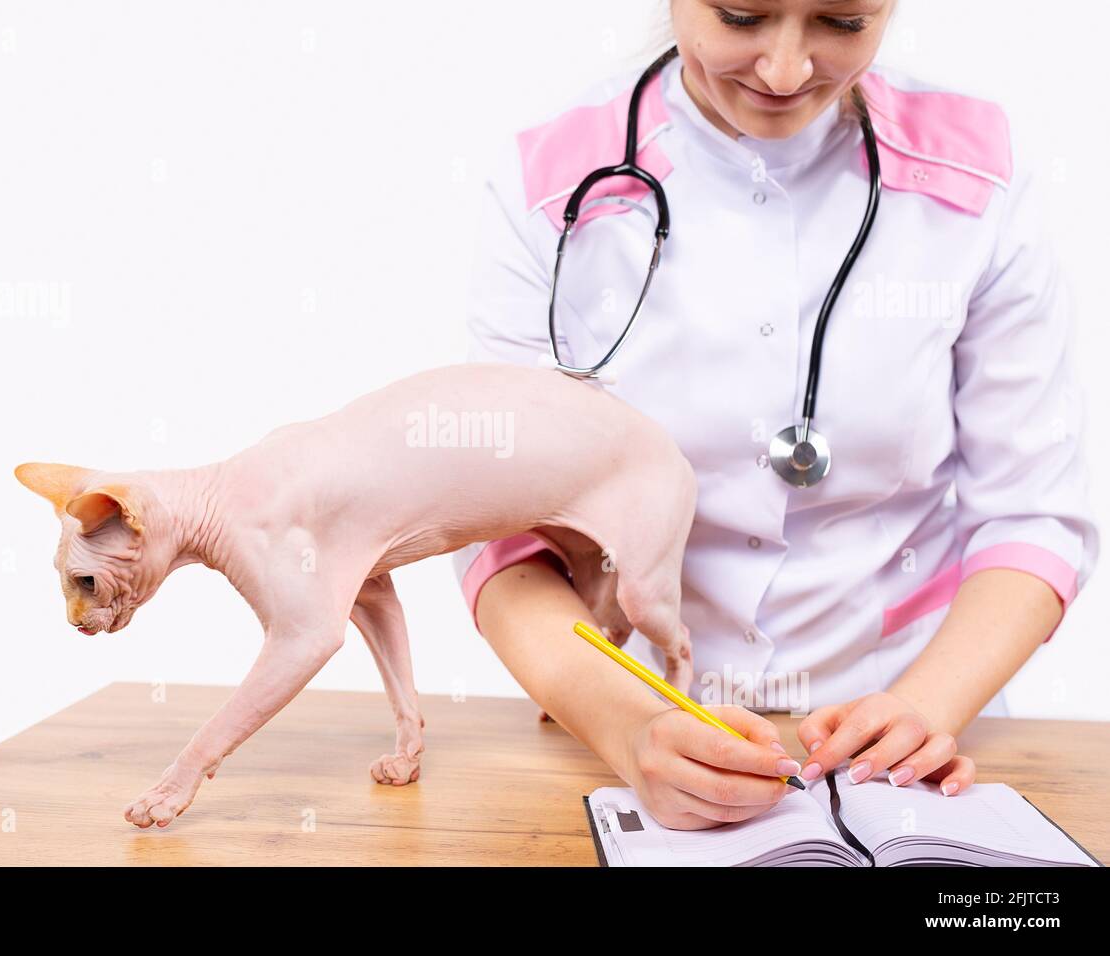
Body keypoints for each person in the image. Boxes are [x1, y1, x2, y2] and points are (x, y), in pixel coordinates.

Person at [452, 0, 1099, 830]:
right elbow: (503, 531)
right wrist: (623, 721)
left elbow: (1033, 513)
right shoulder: (551, 184)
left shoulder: (977, 173)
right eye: (742, 16)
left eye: (843, 23)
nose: (787, 71)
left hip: (914, 750)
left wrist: (921, 707)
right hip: (637, 731)